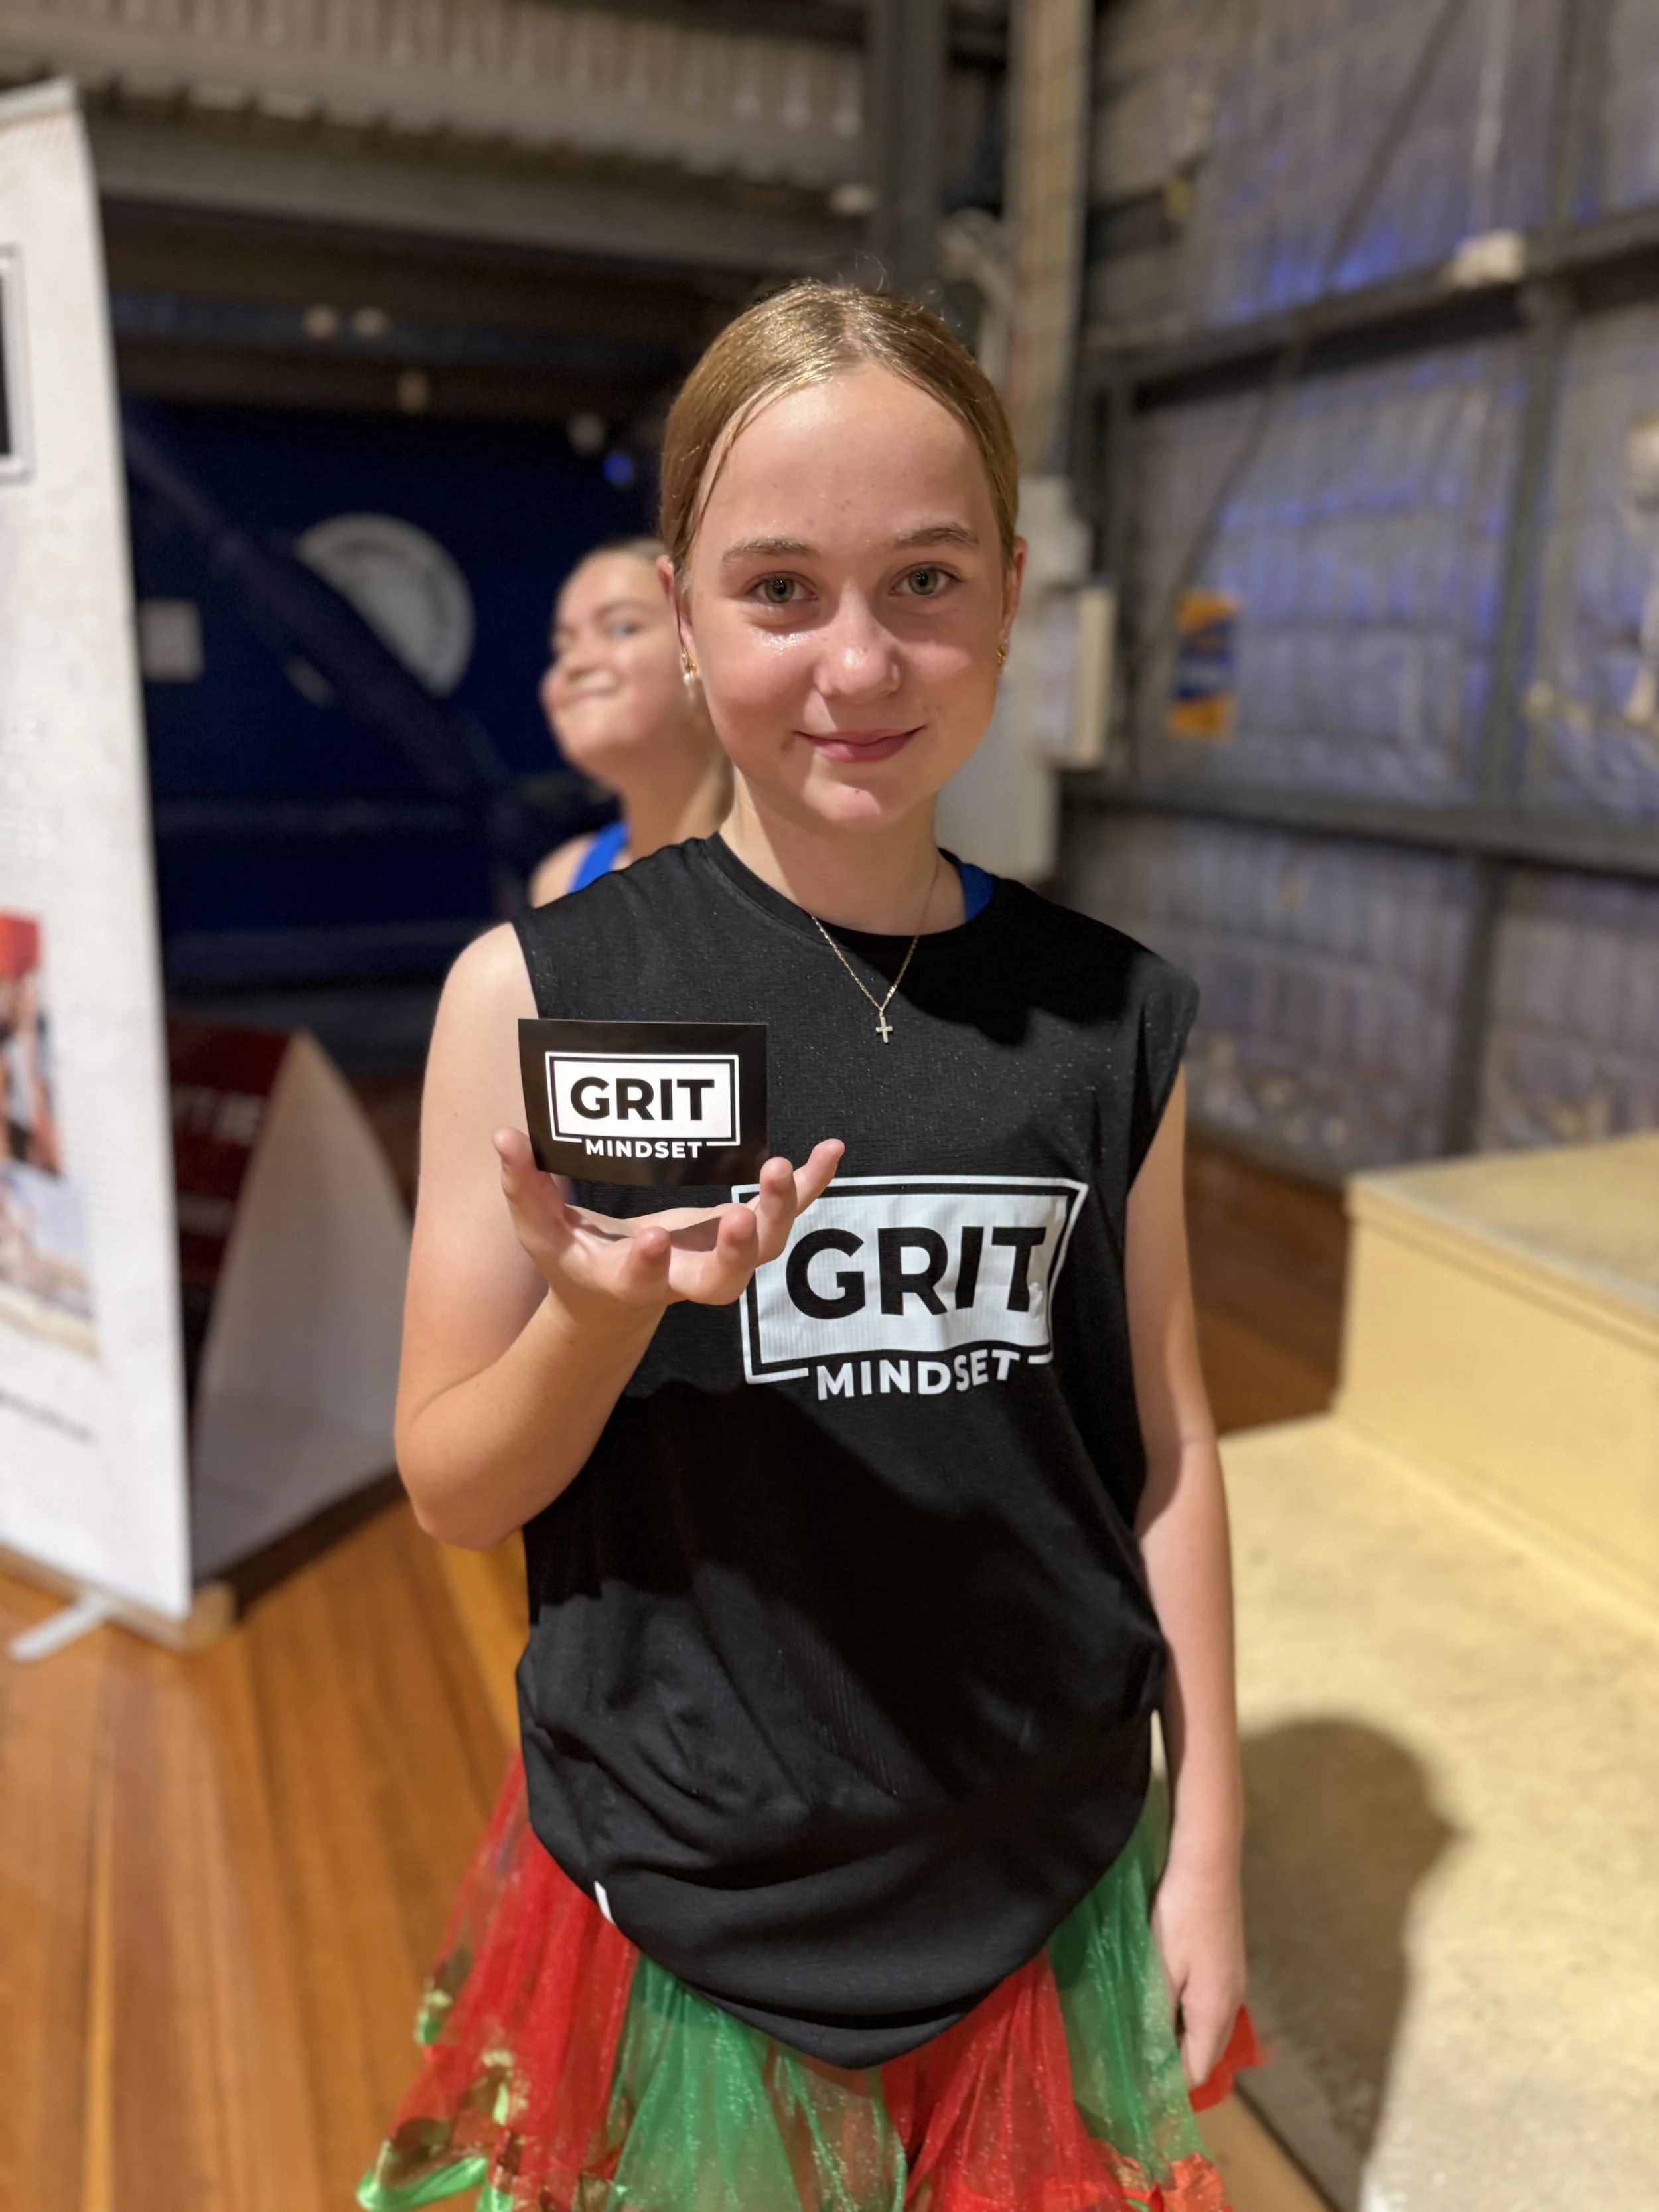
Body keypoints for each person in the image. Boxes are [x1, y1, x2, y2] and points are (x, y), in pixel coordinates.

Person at [362, 282, 1254, 2212]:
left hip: (1044, 1874)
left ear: (1009, 594)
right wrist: (593, 1317)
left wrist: (1210, 1846)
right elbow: (449, 1479)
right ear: (682, 609)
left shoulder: (1114, 1014)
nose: (858, 660)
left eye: (922, 580)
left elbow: (1161, 1447)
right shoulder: (536, 992)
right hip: (693, 1896)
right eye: (778, 589)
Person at [530, 534, 729, 905]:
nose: (574, 663)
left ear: (704, 654)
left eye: (622, 628)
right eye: (563, 647)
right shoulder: (562, 882)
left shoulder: (799, 871)